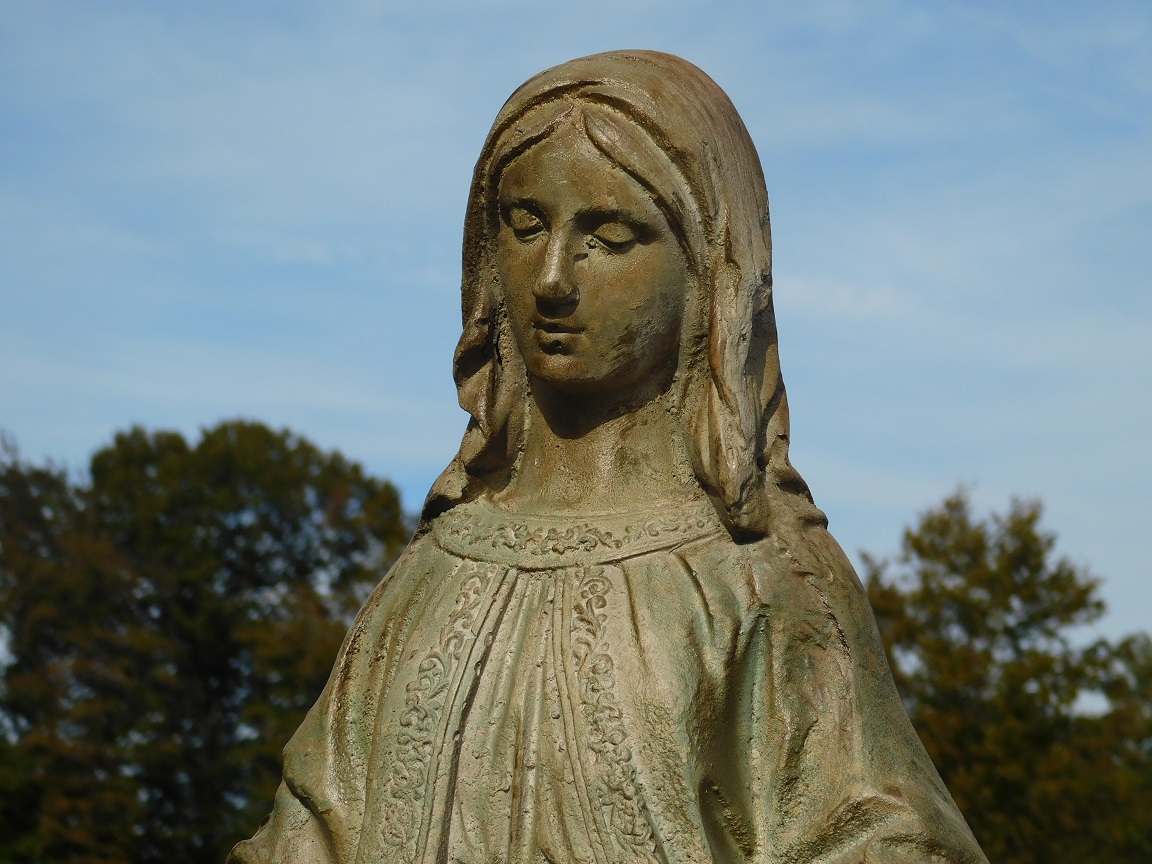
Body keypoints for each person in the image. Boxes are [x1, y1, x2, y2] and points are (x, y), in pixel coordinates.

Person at [230, 51, 989, 864]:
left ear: (711, 273)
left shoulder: (766, 578)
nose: (553, 279)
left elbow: (889, 839)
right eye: (526, 227)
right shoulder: (429, 573)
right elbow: (306, 832)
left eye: (610, 236)